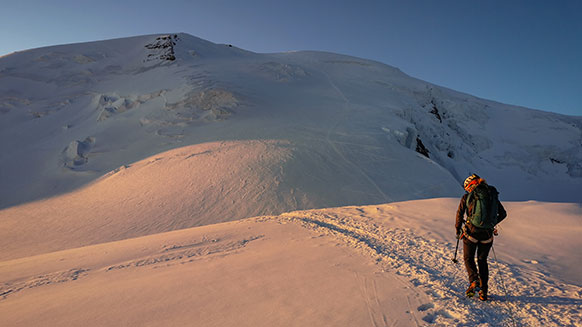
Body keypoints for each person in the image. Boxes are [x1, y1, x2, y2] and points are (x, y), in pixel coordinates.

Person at [455, 174, 507, 301]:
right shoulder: (491, 195)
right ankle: (484, 292)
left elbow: (459, 214)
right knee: (482, 261)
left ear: (471, 185)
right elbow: (503, 214)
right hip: (487, 235)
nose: (467, 190)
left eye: (467, 188)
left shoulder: (467, 197)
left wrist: (458, 230)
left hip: (471, 233)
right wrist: (491, 224)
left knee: (468, 258)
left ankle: (474, 281)